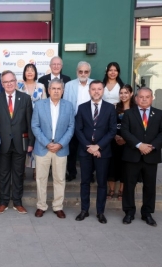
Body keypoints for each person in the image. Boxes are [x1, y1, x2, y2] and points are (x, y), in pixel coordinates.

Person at [121, 87, 162, 226]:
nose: (144, 99)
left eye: (147, 97)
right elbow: (124, 131)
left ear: (152, 98)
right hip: (132, 155)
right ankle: (129, 212)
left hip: (151, 156)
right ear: (136, 98)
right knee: (129, 185)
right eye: (141, 97)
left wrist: (151, 146)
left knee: (149, 186)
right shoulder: (129, 113)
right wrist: (139, 145)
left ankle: (147, 213)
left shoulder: (159, 114)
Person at [0, 70, 34, 214]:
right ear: (2, 84)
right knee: (3, 174)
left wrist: (30, 143)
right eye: (6, 82)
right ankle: (3, 202)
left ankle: (17, 202)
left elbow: (30, 122)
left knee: (18, 173)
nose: (9, 84)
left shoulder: (25, 98)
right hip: (2, 145)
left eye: (11, 81)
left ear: (16, 82)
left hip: (20, 143)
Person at [74, 80, 117, 224]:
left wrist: (98, 147)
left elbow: (112, 131)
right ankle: (84, 210)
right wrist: (89, 147)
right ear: (89, 91)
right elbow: (78, 130)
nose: (96, 91)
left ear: (103, 91)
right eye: (93, 89)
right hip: (85, 151)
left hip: (103, 152)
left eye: (99, 89)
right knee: (84, 182)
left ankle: (100, 212)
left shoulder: (110, 108)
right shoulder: (82, 108)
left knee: (102, 183)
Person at [31, 78, 74, 219]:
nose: (56, 91)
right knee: (41, 178)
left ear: (63, 91)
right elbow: (35, 126)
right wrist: (46, 143)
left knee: (60, 179)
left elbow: (70, 128)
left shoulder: (68, 106)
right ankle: (41, 206)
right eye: (53, 88)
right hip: (43, 148)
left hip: (60, 148)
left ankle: (58, 207)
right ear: (48, 90)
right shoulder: (39, 105)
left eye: (58, 89)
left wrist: (60, 144)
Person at [63, 61, 94, 182]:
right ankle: (71, 172)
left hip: (90, 121)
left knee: (89, 148)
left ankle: (89, 174)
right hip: (74, 119)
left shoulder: (94, 84)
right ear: (77, 72)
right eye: (80, 71)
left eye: (86, 71)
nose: (83, 74)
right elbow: (65, 103)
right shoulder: (69, 85)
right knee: (71, 148)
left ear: (89, 72)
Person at [17, 63, 47, 180]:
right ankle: (22, 170)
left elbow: (44, 103)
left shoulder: (41, 86)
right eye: (27, 70)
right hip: (21, 120)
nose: (29, 72)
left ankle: (36, 171)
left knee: (36, 145)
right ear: (24, 73)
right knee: (23, 145)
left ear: (35, 73)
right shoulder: (18, 85)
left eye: (32, 70)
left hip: (37, 119)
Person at [107, 84, 136, 200]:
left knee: (125, 167)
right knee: (112, 166)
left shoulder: (136, 109)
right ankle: (111, 190)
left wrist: (126, 139)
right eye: (121, 93)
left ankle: (121, 191)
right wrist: (115, 136)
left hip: (128, 143)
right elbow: (110, 125)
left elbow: (136, 128)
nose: (123, 95)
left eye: (126, 93)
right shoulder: (114, 107)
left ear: (131, 94)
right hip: (114, 141)